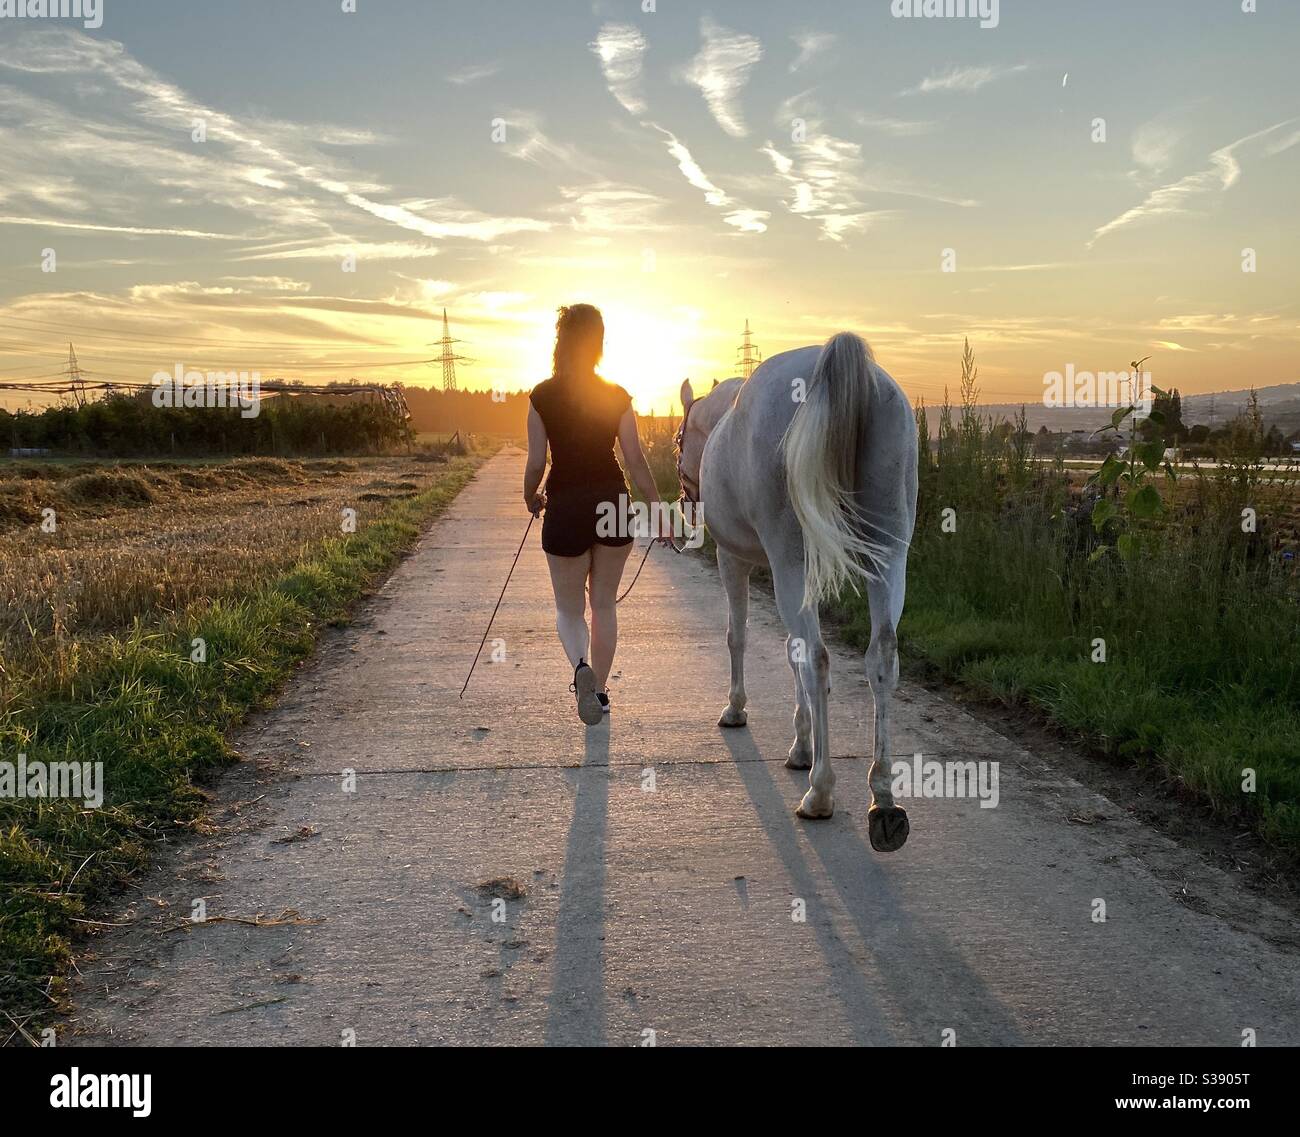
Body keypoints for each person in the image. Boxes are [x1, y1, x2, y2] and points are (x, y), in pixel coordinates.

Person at [524, 304, 673, 724]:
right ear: (599, 342)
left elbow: (537, 462)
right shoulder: (617, 395)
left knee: (569, 610)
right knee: (604, 604)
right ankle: (602, 694)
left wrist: (529, 496)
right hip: (613, 503)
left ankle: (580, 669)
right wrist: (659, 510)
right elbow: (637, 461)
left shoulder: (542, 396)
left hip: (566, 504)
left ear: (561, 341)